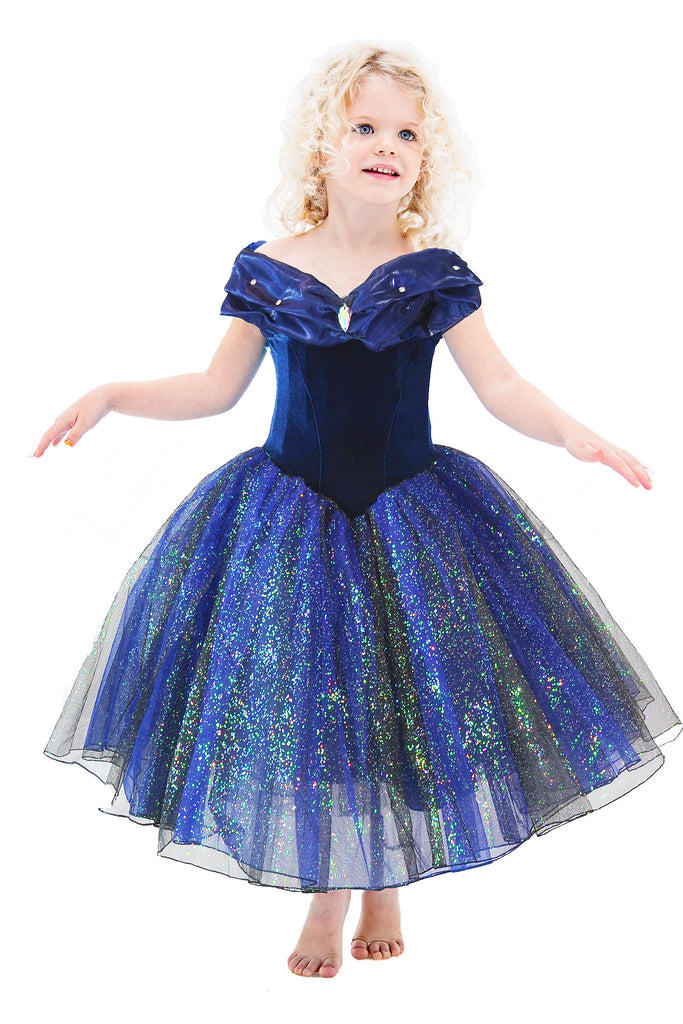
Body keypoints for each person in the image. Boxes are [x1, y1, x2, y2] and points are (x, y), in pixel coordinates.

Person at [34, 40, 681, 981]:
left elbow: (499, 384)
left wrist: (572, 433)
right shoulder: (267, 266)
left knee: (411, 706)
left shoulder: (434, 271)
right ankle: (328, 894)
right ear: (321, 145)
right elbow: (215, 389)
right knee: (307, 710)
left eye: (407, 134)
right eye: (365, 126)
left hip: (413, 517)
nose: (386, 145)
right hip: (287, 519)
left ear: (426, 157)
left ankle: (386, 883)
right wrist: (113, 393)